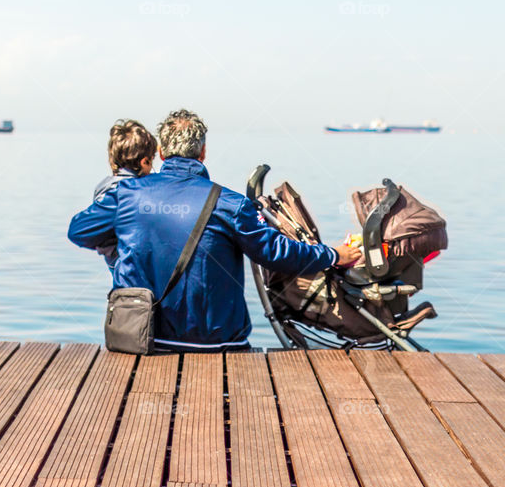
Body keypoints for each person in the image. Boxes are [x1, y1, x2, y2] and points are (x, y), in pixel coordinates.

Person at [68, 108, 361, 351]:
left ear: (160, 151)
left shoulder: (126, 194)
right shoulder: (230, 204)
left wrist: (128, 248)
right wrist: (334, 254)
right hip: (214, 344)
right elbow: (277, 253)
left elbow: (79, 231)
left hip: (142, 338)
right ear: (203, 151)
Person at [90, 119, 158, 270]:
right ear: (144, 162)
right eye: (152, 160)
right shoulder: (137, 190)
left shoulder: (103, 188)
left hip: (116, 265)